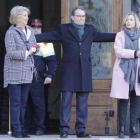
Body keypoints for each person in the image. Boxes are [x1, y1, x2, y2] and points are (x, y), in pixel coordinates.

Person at [35, 6, 116, 138]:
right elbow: (50, 36)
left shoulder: (89, 29)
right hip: (69, 70)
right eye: (79, 16)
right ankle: (64, 130)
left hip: (84, 70)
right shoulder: (64, 29)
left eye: (83, 16)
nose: (82, 18)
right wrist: (30, 37)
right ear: (72, 17)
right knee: (66, 100)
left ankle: (81, 130)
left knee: (82, 102)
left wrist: (120, 35)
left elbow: (103, 36)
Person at [4, 6, 38, 138]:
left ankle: (22, 128)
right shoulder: (10, 32)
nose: (27, 18)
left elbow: (33, 45)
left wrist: (35, 49)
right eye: (24, 15)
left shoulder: (30, 30)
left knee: (24, 103)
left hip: (27, 70)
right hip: (14, 71)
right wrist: (28, 52)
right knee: (16, 102)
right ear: (17, 17)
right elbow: (11, 53)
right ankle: (16, 129)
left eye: (27, 15)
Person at [24, 19, 57, 135]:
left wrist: (50, 75)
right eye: (34, 27)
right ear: (29, 28)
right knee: (25, 104)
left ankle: (39, 128)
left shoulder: (46, 44)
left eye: (38, 27)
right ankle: (25, 128)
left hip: (38, 79)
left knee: (39, 104)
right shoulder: (23, 41)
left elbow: (52, 62)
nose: (36, 29)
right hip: (23, 77)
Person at [110, 12, 140, 138]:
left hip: (137, 72)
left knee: (136, 101)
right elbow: (118, 52)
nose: (128, 22)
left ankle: (133, 129)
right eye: (127, 20)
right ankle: (121, 129)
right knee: (123, 101)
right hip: (124, 72)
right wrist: (134, 53)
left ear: (136, 22)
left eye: (131, 20)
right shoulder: (120, 35)